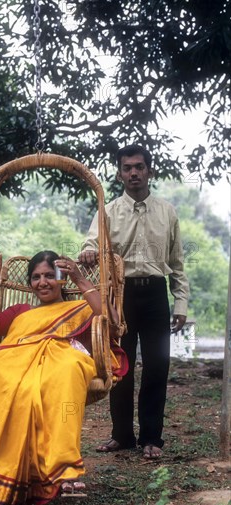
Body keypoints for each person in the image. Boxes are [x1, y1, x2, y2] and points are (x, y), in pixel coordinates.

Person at [0, 249, 127, 505]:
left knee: (66, 369)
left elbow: (112, 324)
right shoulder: (22, 311)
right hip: (18, 360)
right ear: (30, 283)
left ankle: (65, 469)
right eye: (36, 277)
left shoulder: (81, 306)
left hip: (63, 359)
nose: (43, 282)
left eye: (49, 275)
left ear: (62, 277)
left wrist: (81, 280)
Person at [80, 144, 189, 459]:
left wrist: (180, 303)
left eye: (139, 167)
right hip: (120, 297)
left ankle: (152, 438)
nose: (133, 173)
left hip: (156, 294)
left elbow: (177, 263)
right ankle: (122, 436)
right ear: (119, 173)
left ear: (149, 171)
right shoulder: (109, 211)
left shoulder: (167, 211)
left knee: (157, 366)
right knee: (119, 366)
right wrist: (88, 252)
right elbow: (90, 243)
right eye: (127, 168)